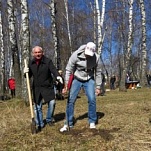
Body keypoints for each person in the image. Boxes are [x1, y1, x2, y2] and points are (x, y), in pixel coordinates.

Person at [60, 42, 102, 132]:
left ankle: (92, 121)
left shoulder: (97, 58)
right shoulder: (76, 54)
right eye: (87, 54)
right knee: (71, 100)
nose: (88, 56)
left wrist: (98, 87)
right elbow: (68, 69)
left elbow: (98, 73)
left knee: (92, 99)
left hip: (89, 79)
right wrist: (67, 85)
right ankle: (68, 123)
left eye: (90, 55)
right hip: (77, 78)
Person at [23, 46, 63, 131]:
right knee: (37, 107)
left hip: (47, 86)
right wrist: (25, 72)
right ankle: (39, 123)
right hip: (37, 88)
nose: (38, 54)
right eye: (36, 52)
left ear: (42, 53)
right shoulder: (31, 63)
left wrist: (58, 76)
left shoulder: (48, 61)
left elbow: (53, 70)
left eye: (39, 52)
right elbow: (28, 76)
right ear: (33, 54)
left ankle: (49, 119)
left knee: (52, 103)